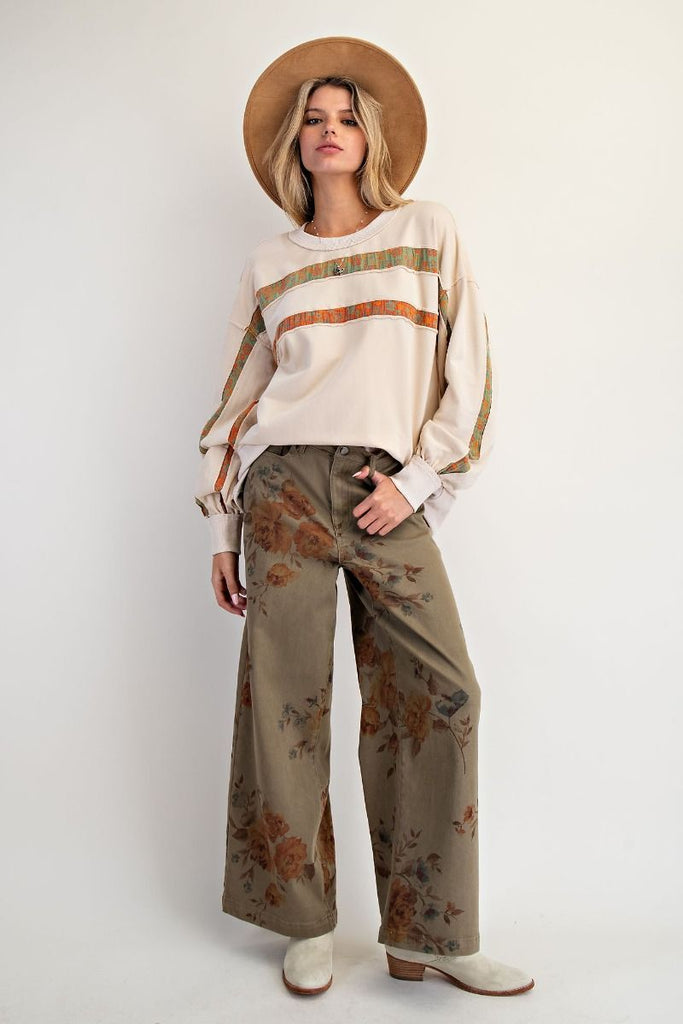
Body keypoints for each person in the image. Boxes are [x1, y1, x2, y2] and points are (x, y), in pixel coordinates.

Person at [194, 36, 535, 998]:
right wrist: (222, 528)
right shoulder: (271, 263)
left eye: (345, 117)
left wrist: (415, 483)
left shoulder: (427, 231)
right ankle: (302, 920)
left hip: (386, 488)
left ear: (372, 136)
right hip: (283, 494)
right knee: (285, 703)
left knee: (442, 693)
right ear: (293, 144)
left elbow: (469, 371)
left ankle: (432, 930)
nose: (329, 130)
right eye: (313, 118)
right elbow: (234, 404)